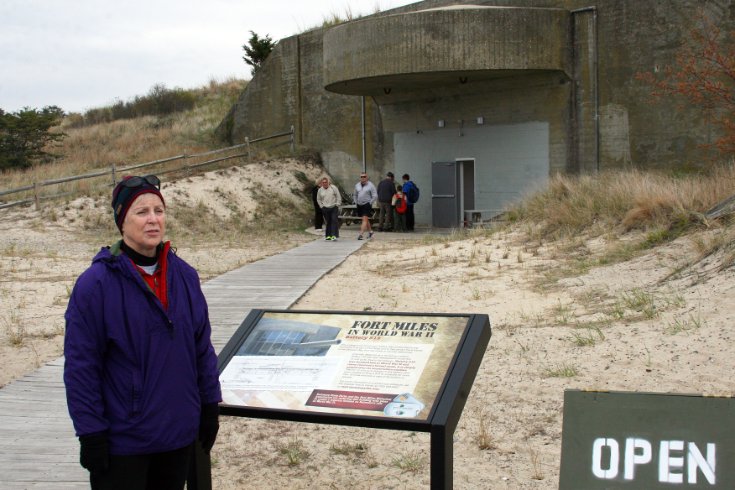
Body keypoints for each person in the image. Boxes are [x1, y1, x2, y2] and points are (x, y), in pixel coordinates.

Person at [64, 175, 222, 490]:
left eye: (158, 210)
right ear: (122, 222)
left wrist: (209, 405)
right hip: (124, 441)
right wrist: (90, 432)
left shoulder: (185, 276)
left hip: (177, 435)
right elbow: (82, 367)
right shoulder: (95, 285)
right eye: (141, 212)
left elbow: (201, 348)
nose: (153, 219)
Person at [353, 172, 377, 240]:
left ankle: (361, 234)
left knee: (364, 219)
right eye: (361, 177)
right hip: (359, 204)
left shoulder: (371, 185)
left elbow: (375, 195)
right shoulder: (357, 185)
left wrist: (370, 202)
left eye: (364, 177)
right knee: (365, 219)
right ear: (360, 178)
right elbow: (355, 194)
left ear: (367, 177)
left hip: (367, 204)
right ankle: (371, 232)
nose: (363, 178)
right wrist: (355, 201)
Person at [316, 176, 341, 241]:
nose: (324, 183)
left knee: (334, 221)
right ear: (321, 183)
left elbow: (338, 196)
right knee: (328, 222)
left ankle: (334, 235)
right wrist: (321, 206)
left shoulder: (333, 188)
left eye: (326, 182)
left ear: (328, 182)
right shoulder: (320, 190)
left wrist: (337, 204)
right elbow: (318, 199)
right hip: (325, 208)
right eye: (323, 182)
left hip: (333, 207)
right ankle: (328, 236)